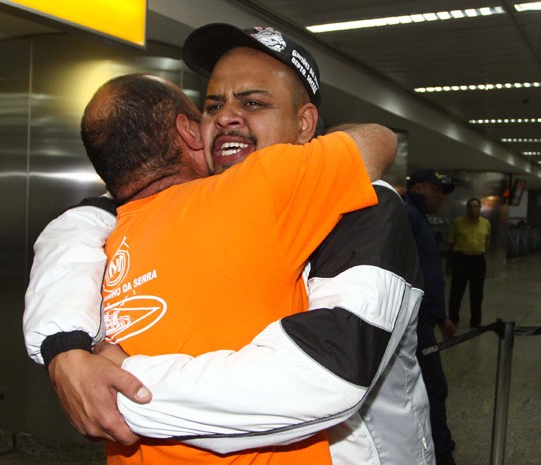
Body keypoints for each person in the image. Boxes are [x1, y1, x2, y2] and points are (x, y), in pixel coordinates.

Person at [24, 23, 433, 465]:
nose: (226, 116)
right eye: (213, 104)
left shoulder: (367, 207)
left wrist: (114, 381)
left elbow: (323, 375)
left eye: (253, 102)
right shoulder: (172, 204)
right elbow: (78, 227)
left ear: (304, 125)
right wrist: (65, 348)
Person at [403, 169, 458, 465]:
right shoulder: (408, 214)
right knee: (432, 386)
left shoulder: (418, 216)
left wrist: (442, 317)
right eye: (437, 190)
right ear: (421, 187)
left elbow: (430, 273)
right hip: (415, 320)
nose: (441, 197)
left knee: (431, 384)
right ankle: (440, 451)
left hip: (425, 317)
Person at [448, 197, 491, 328]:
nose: (474, 209)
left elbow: (487, 242)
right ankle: (453, 319)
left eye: (476, 206)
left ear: (480, 208)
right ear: (467, 208)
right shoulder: (458, 222)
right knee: (457, 291)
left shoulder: (486, 223)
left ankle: (475, 321)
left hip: (478, 260)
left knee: (477, 292)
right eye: (471, 207)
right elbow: (451, 242)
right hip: (462, 259)